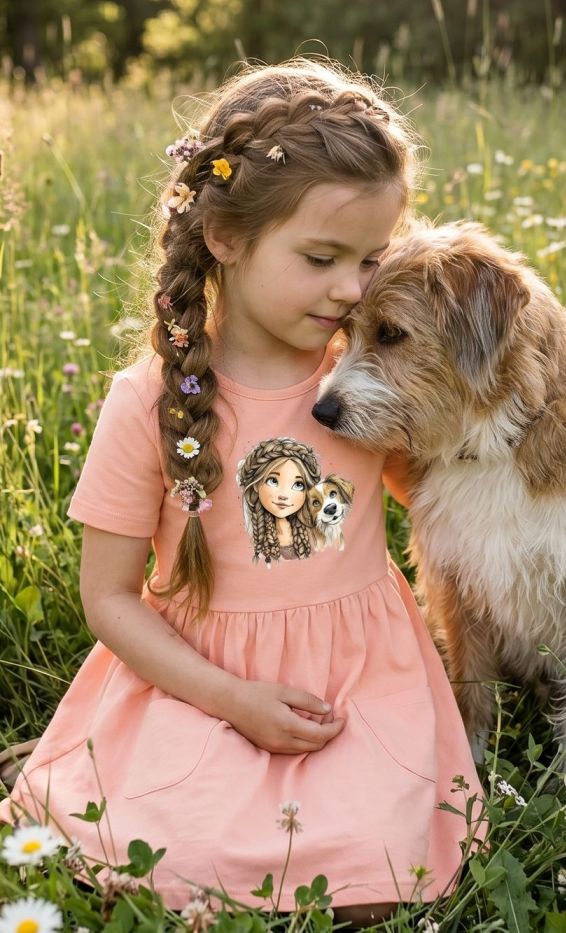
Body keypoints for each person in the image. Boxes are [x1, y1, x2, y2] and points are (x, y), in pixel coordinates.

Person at [0, 58, 486, 924]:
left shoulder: (362, 379)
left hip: (358, 683)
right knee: (186, 854)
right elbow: (108, 597)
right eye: (321, 257)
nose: (350, 288)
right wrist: (231, 698)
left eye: (371, 260)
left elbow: (446, 491)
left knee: (380, 863)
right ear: (224, 236)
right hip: (203, 681)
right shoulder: (153, 398)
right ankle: (82, 758)